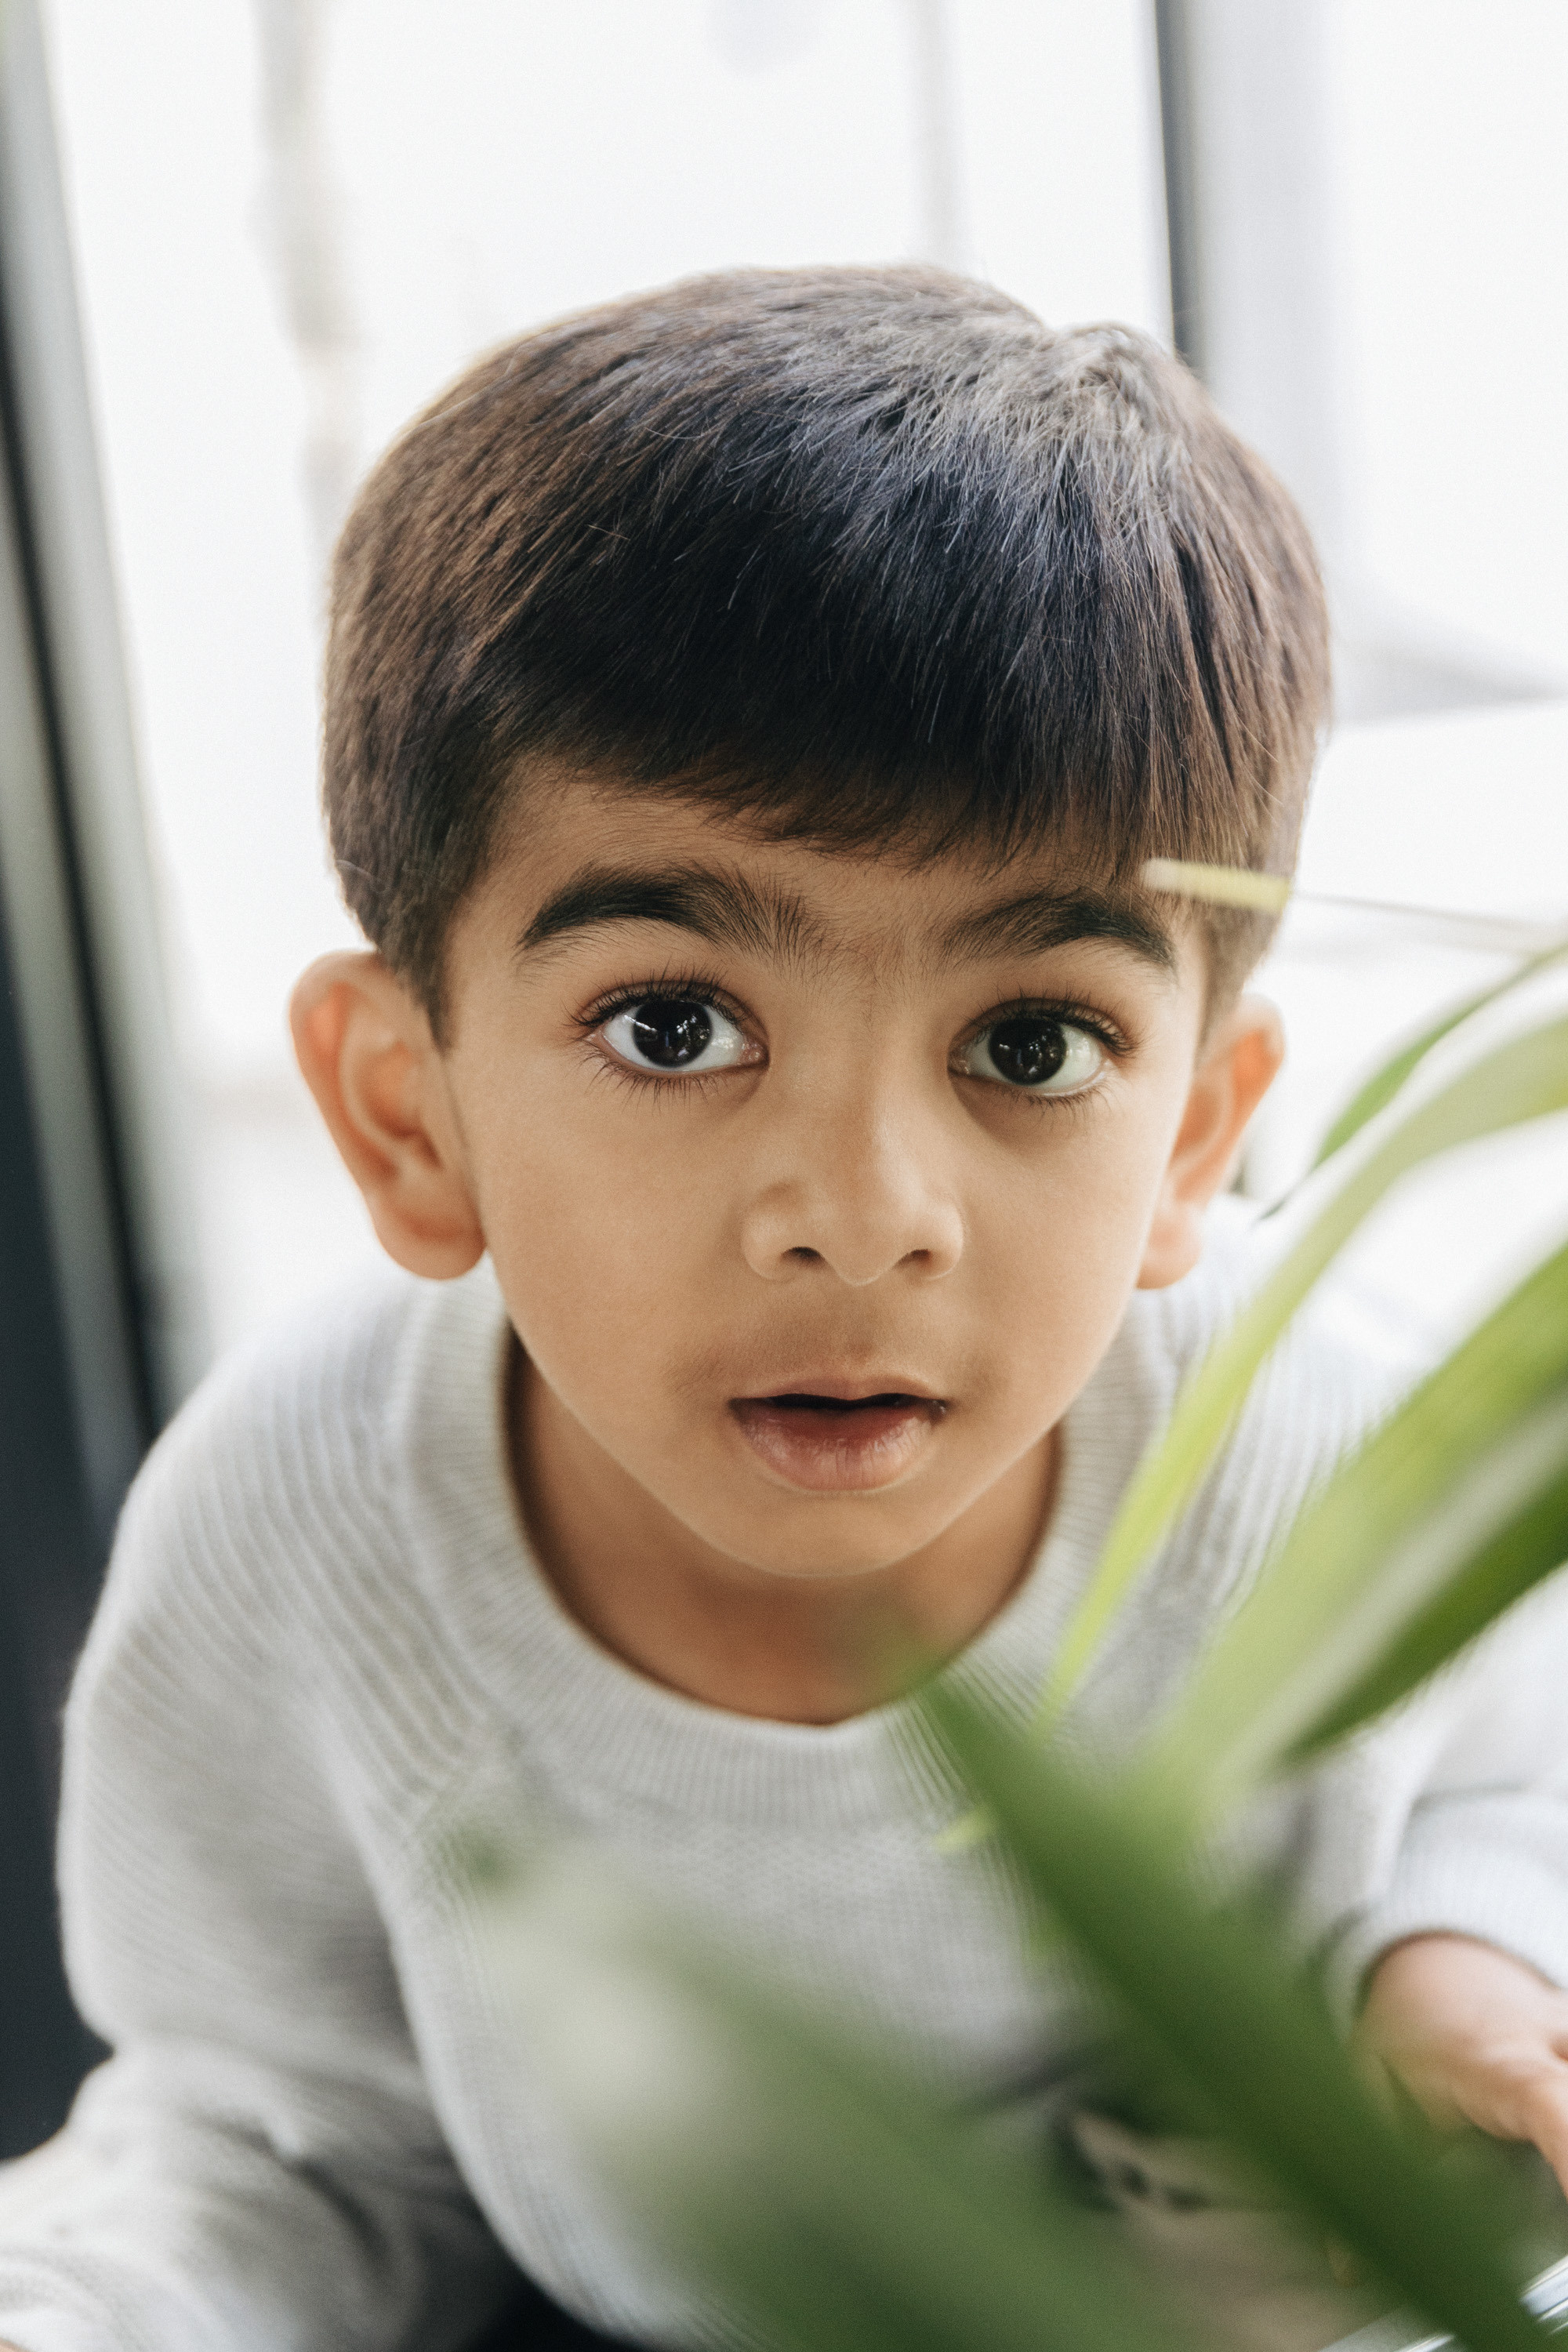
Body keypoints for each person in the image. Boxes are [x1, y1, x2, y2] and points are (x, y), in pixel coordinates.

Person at [2, 267, 1566, 2352]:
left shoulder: (1343, 1458)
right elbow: (280, 2143)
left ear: (1197, 1134)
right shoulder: (301, 1534)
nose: (861, 1217)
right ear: (407, 1114)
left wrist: (1474, 1963)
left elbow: (1524, 1784)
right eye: (673, 1024)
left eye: (1030, 1046)